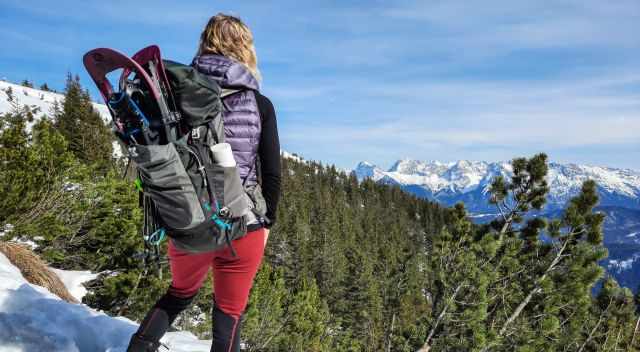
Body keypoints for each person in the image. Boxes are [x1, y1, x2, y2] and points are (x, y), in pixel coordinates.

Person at [127, 13, 281, 352]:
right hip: (242, 223)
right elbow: (271, 174)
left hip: (187, 215)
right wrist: (267, 222)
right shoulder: (259, 103)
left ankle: (138, 347)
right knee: (229, 315)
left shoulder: (173, 96)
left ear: (204, 44)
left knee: (179, 294)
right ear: (245, 49)